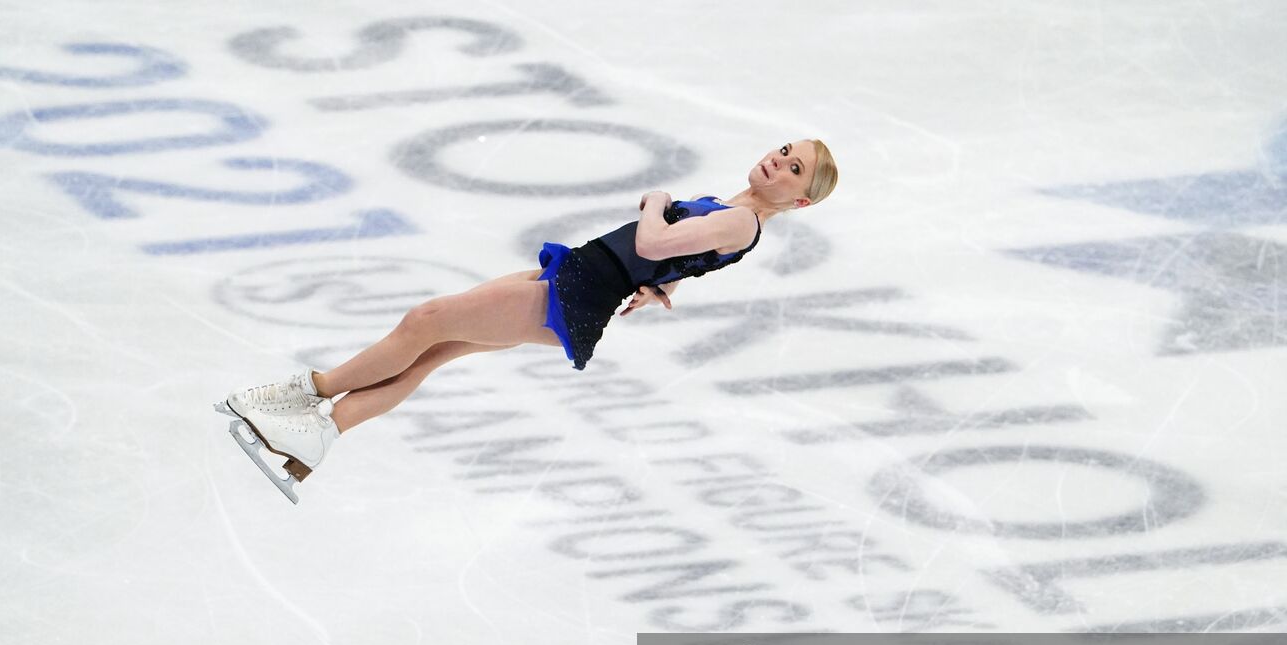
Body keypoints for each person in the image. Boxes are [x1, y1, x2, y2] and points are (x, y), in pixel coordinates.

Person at [216, 139, 839, 501]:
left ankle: (304, 398)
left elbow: (653, 243)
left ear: (802, 199)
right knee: (436, 347)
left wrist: (654, 204)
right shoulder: (737, 211)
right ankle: (321, 434)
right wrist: (659, 285)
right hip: (577, 277)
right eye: (783, 151)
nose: (776, 164)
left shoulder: (743, 219)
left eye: (793, 171)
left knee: (426, 321)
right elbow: (690, 258)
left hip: (577, 292)